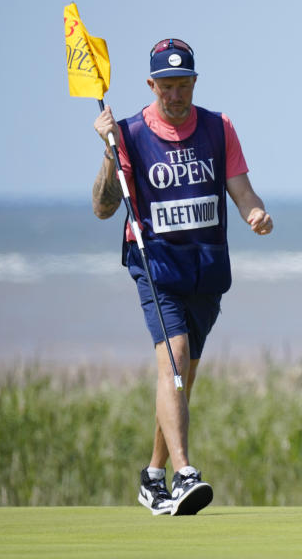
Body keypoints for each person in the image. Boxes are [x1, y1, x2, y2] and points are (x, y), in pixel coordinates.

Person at [90, 39, 273, 516]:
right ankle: (186, 473)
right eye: (167, 86)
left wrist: (256, 215)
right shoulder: (129, 134)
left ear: (195, 82)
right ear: (152, 85)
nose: (176, 94)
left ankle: (153, 476)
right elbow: (103, 208)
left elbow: (242, 190)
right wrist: (110, 151)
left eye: (184, 84)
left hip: (206, 268)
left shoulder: (218, 128)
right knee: (174, 362)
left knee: (180, 380)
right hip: (156, 266)